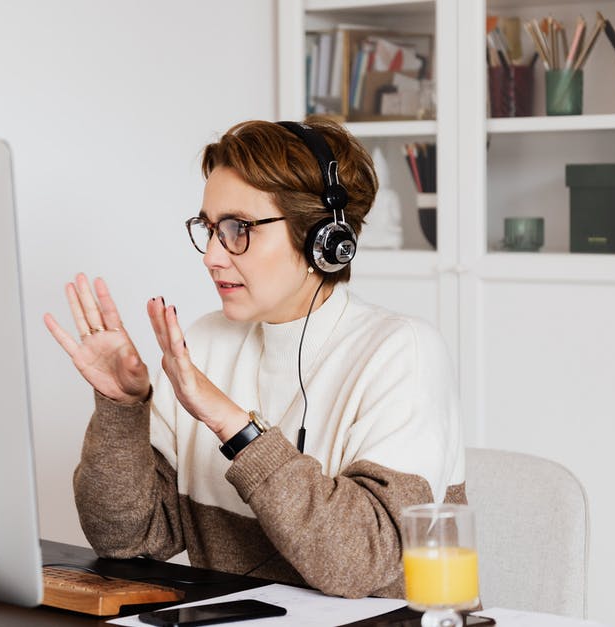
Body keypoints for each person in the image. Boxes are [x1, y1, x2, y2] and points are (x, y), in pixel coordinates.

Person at [42, 118, 465, 599]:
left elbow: (360, 565)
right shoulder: (202, 343)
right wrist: (121, 408)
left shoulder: (401, 352)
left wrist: (233, 425)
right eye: (208, 228)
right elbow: (126, 537)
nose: (212, 256)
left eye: (238, 228)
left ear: (321, 238)